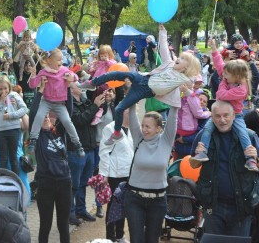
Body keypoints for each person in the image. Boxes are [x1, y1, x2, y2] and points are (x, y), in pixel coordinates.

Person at [79, 24, 201, 145]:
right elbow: (163, 48)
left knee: (119, 108)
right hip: (142, 78)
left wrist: (191, 82)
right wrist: (162, 33)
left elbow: (193, 81)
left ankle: (117, 132)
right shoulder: (169, 64)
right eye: (181, 57)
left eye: (183, 59)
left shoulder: (183, 78)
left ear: (187, 67)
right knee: (116, 73)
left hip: (145, 91)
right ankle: (91, 83)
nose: (179, 59)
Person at [191, 100, 259, 236]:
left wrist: (255, 159)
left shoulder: (248, 136)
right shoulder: (203, 137)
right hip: (213, 205)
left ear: (234, 116)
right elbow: (193, 164)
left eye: (226, 115)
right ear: (212, 117)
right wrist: (198, 154)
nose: (222, 120)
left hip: (242, 206)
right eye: (217, 116)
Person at [190, 38, 258, 171]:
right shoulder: (229, 76)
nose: (222, 75)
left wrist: (222, 83)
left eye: (226, 74)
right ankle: (202, 152)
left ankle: (250, 158)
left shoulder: (241, 89)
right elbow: (219, 63)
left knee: (242, 133)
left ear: (237, 76)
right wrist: (214, 48)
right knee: (208, 129)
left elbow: (220, 95)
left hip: (236, 115)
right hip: (219, 113)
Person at [124, 102, 178, 243]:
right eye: (143, 126)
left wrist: (175, 99)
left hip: (158, 201)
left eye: (148, 126)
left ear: (159, 129)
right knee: (136, 239)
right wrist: (132, 100)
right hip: (134, 198)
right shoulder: (139, 139)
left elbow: (173, 119)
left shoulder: (166, 141)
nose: (144, 129)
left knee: (152, 240)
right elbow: (132, 118)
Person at [30, 77, 72, 243]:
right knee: (45, 224)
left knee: (63, 224)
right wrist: (40, 91)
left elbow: (68, 112)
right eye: (43, 117)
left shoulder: (59, 132)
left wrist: (67, 87)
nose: (45, 118)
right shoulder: (38, 137)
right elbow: (34, 113)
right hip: (45, 183)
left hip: (64, 182)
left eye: (48, 116)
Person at [28, 48, 84, 157]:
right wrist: (33, 75)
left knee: (67, 121)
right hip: (47, 101)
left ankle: (77, 143)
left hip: (59, 103)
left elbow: (75, 77)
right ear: (49, 61)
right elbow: (32, 85)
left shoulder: (64, 70)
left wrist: (72, 77)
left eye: (61, 59)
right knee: (39, 116)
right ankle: (33, 139)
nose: (61, 62)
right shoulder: (43, 71)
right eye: (58, 60)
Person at [67, 82, 105, 225]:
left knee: (83, 182)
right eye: (77, 84)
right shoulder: (68, 104)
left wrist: (103, 102)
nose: (81, 85)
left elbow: (98, 114)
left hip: (89, 148)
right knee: (73, 184)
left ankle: (80, 210)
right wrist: (95, 105)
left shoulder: (85, 101)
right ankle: (70, 214)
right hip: (76, 150)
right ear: (71, 90)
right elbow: (80, 120)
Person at [99, 110, 133, 243]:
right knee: (113, 207)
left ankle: (120, 235)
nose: (132, 113)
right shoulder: (110, 128)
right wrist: (104, 174)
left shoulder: (133, 129)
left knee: (124, 205)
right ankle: (110, 237)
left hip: (129, 174)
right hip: (115, 174)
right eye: (129, 110)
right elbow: (104, 151)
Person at [0, 76, 28, 173]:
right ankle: (3, 182)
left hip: (14, 129)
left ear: (9, 87)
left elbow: (24, 109)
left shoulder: (14, 95)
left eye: (5, 88)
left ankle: (16, 181)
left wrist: (11, 115)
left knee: (13, 158)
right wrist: (1, 102)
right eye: (0, 89)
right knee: (3, 158)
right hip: (0, 131)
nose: (3, 91)